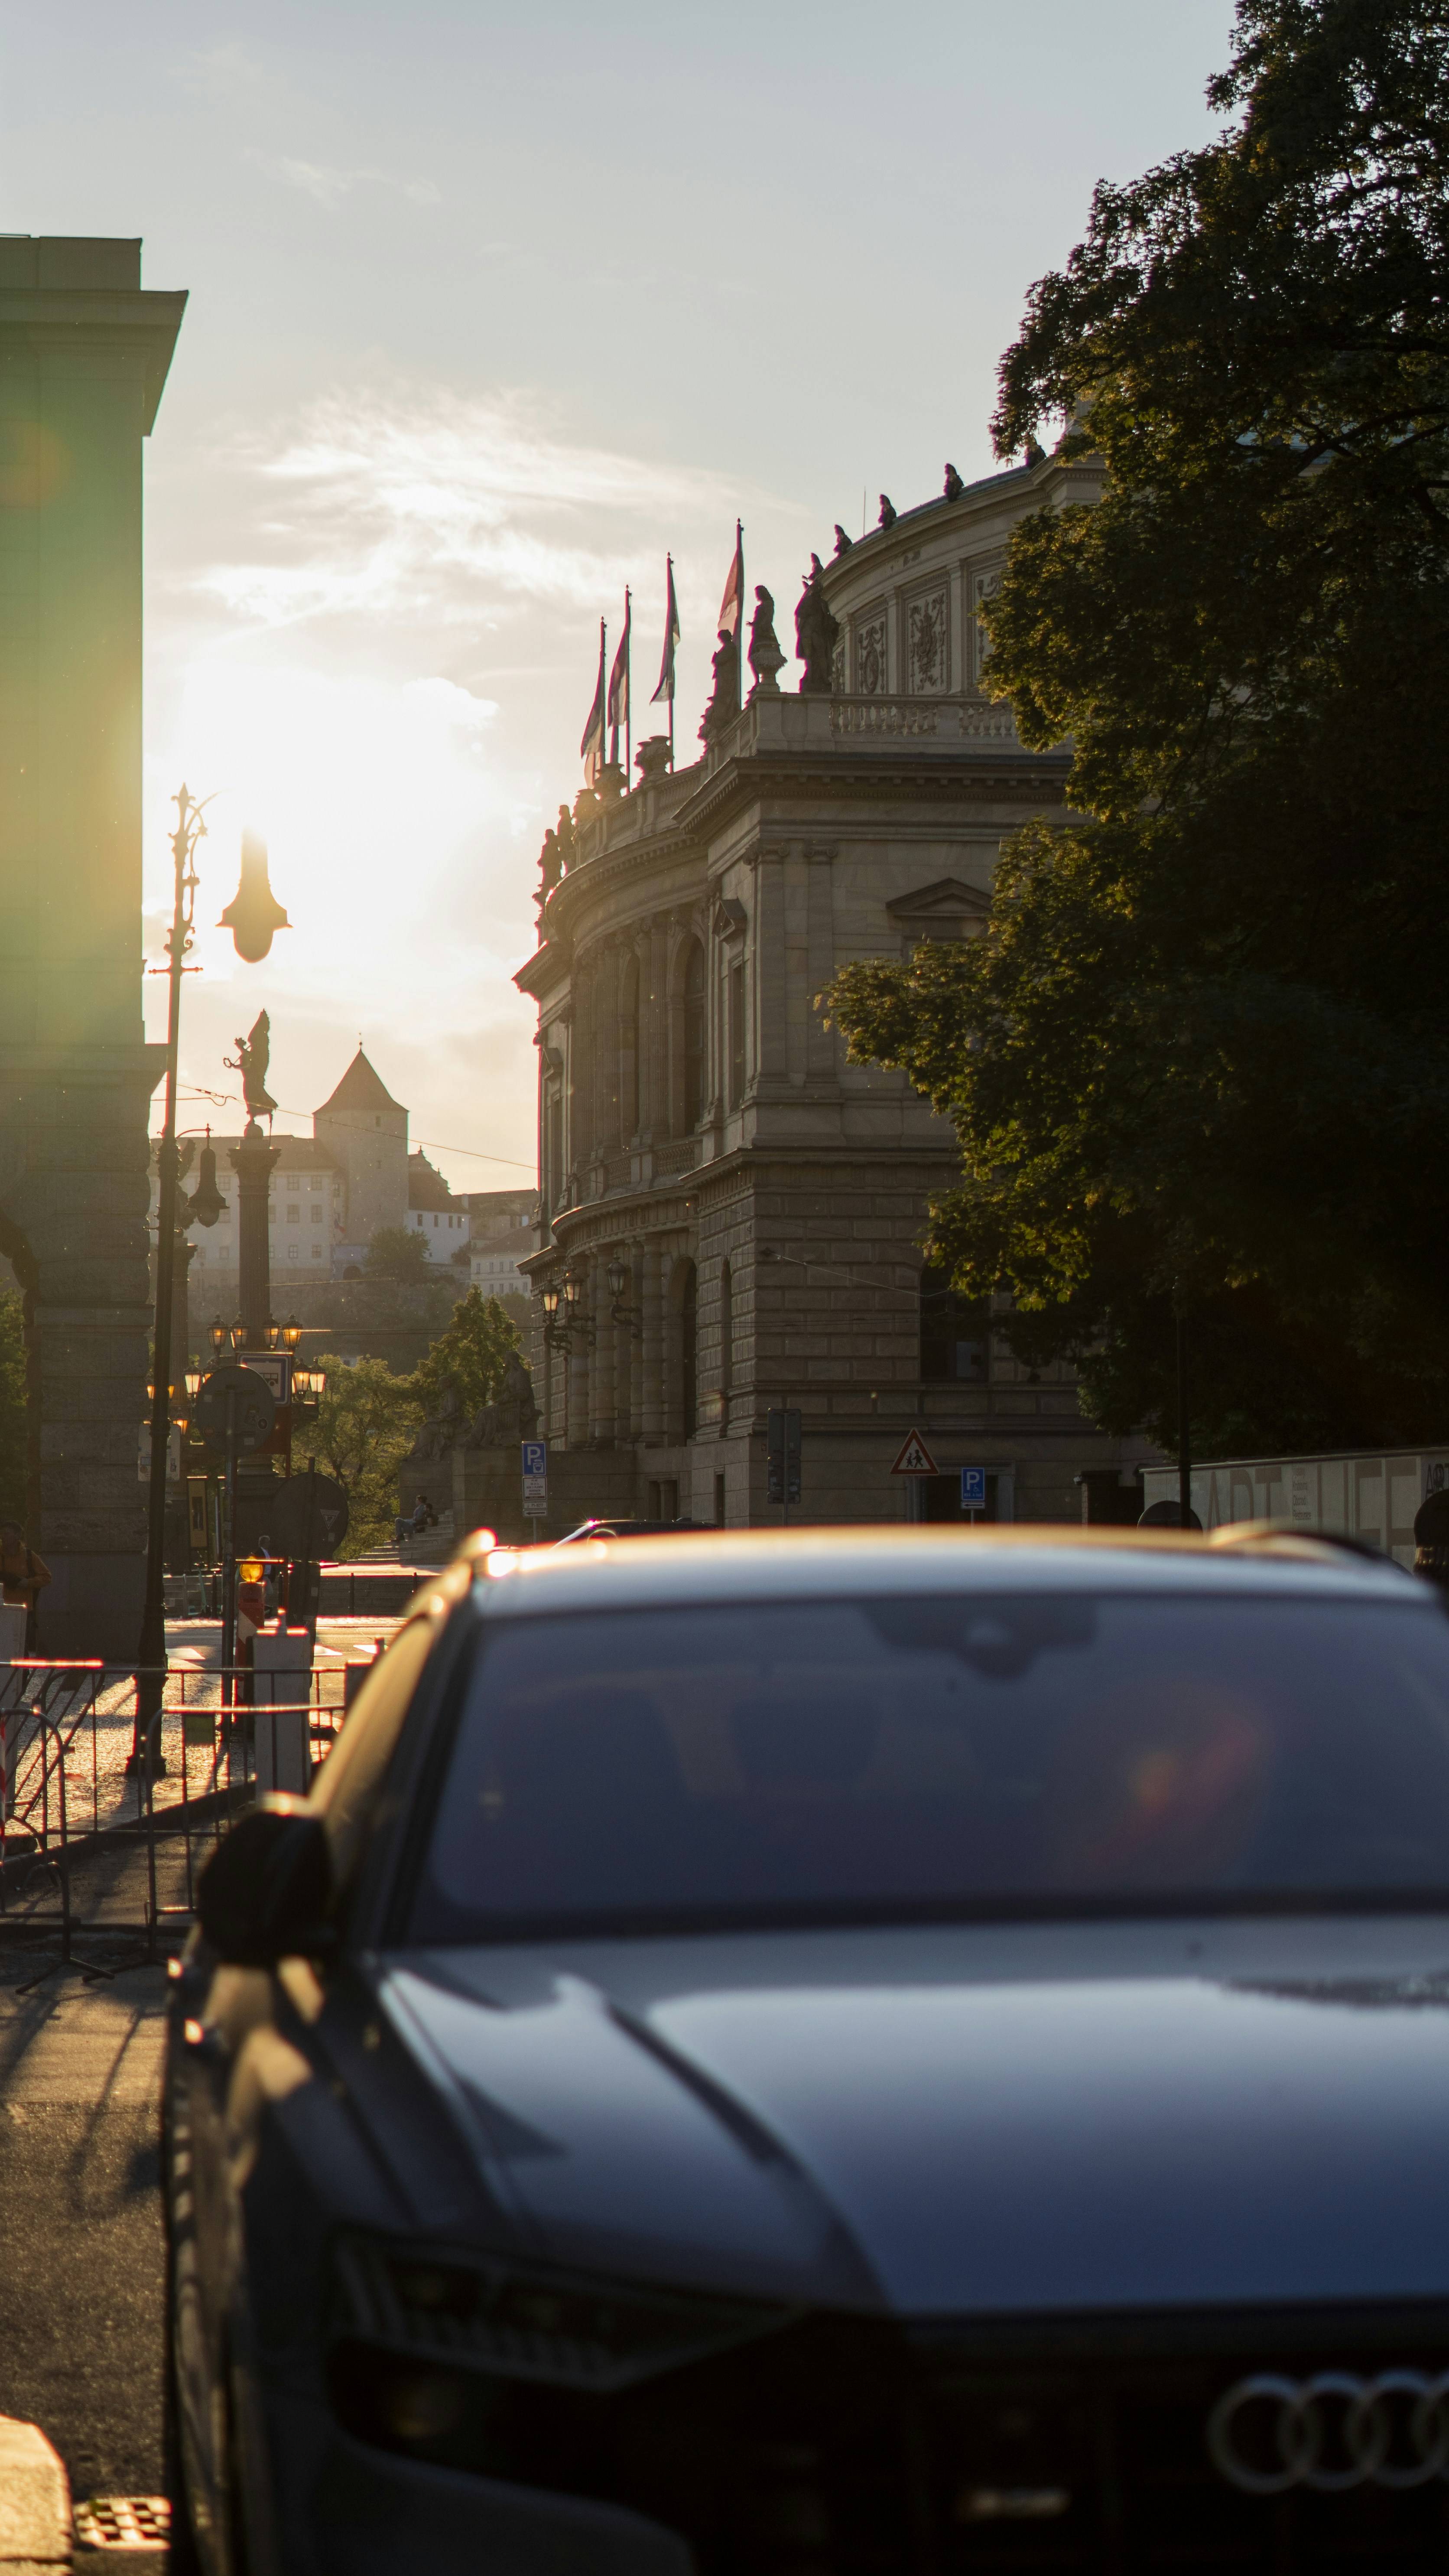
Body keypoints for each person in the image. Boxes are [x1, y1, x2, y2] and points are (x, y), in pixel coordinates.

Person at [0, 1521, 50, 1654]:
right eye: (2, 1534)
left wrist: (29, 1583)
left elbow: (47, 1577)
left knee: (20, 1647)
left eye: (7, 1534)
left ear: (17, 1535)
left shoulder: (29, 1556)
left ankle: (22, 1673)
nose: (3, 1537)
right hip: (2, 1609)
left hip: (23, 1611)